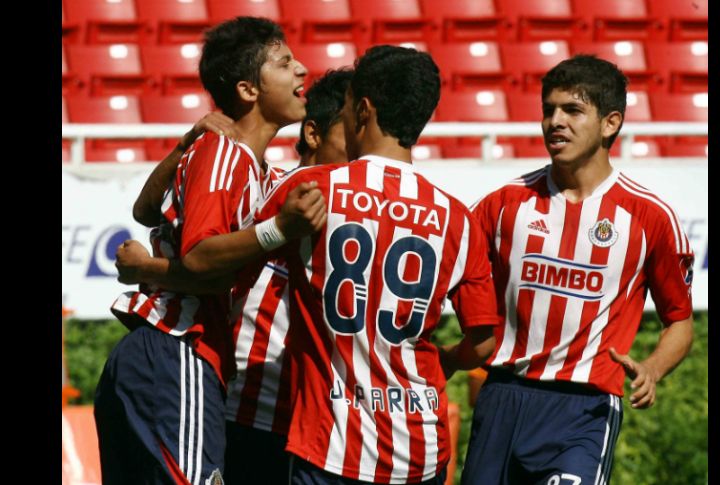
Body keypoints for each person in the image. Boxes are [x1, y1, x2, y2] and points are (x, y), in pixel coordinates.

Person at [253, 45, 500, 484]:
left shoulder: (311, 188)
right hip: (421, 452)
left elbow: (223, 262)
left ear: (363, 110)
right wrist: (445, 360)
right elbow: (483, 343)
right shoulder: (457, 219)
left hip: (330, 448)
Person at [95, 17, 325, 485]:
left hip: (169, 356)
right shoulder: (224, 152)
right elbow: (203, 260)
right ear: (248, 89)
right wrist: (279, 229)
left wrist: (149, 267)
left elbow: (146, 211)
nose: (302, 70)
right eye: (284, 63)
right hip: (178, 349)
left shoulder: (250, 166)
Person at [461, 55, 695, 485]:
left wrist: (652, 368)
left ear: (610, 123)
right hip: (503, 398)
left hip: (584, 411)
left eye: (572, 110)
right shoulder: (502, 205)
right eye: (548, 109)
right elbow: (451, 279)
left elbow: (679, 320)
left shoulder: (650, 218)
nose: (555, 122)